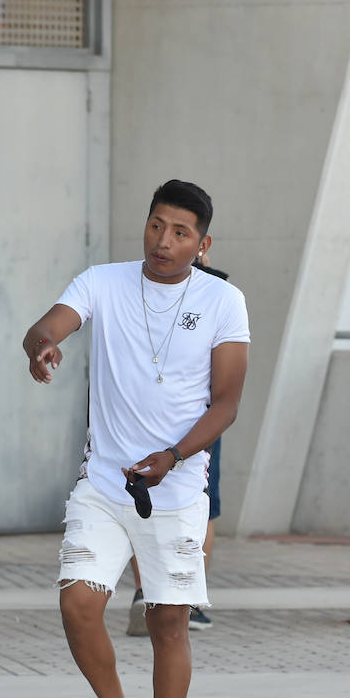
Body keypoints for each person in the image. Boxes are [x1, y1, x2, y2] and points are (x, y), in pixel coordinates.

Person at [22, 180, 251, 698]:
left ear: (202, 245)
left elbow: (227, 401)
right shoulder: (103, 282)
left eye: (180, 232)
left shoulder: (224, 301)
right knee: (78, 605)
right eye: (156, 225)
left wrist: (174, 455)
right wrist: (43, 346)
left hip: (175, 489)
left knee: (167, 621)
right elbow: (48, 326)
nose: (163, 241)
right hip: (103, 484)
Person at [127, 259, 232, 636]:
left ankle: (149, 592)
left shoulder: (139, 289)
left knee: (142, 498)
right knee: (199, 505)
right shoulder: (216, 293)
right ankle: (183, 598)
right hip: (191, 421)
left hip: (151, 415)